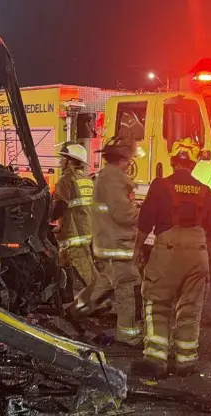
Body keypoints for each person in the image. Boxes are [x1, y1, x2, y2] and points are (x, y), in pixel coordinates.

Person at [130, 138, 211, 378]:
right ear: (193, 164)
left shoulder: (161, 186)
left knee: (157, 303)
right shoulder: (205, 191)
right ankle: (186, 361)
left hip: (168, 251)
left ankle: (156, 359)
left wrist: (137, 248)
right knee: (190, 308)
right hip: (198, 253)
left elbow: (145, 221)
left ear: (172, 161)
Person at [67, 137, 143, 347]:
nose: (129, 163)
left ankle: (75, 310)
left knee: (107, 282)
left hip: (109, 242)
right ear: (122, 158)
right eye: (128, 159)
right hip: (117, 245)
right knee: (128, 287)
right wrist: (144, 213)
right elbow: (123, 214)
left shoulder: (107, 176)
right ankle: (128, 335)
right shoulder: (114, 179)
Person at [52, 143, 98, 290]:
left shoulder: (66, 179)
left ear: (70, 161)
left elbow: (60, 205)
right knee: (60, 266)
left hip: (75, 235)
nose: (60, 161)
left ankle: (101, 297)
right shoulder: (86, 179)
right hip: (85, 230)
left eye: (63, 159)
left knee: (87, 272)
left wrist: (47, 220)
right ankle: (63, 296)